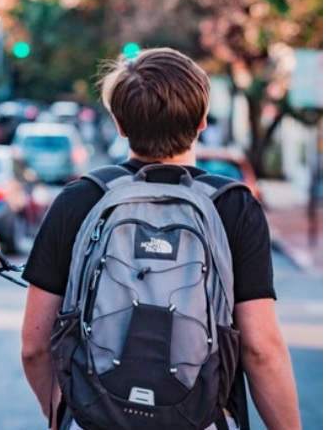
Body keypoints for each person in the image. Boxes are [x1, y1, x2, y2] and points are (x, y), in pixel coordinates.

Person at [20, 47, 300, 430]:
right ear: (202, 121)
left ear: (120, 124)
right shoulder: (232, 206)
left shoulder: (80, 199)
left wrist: (67, 415)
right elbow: (260, 349)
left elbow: (35, 348)